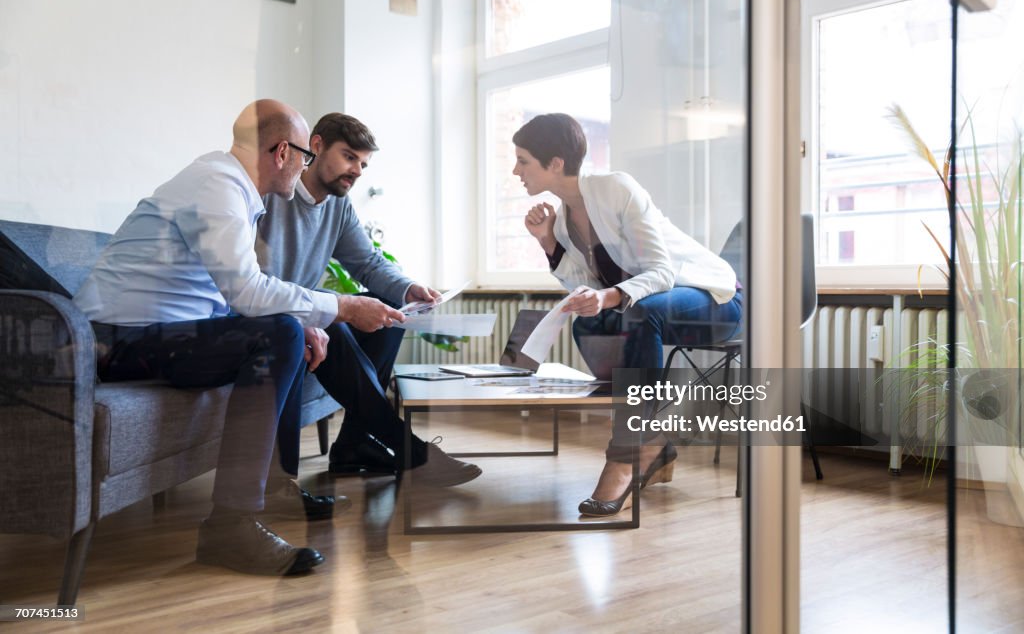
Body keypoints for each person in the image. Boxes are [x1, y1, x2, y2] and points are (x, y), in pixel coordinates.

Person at [73, 100, 404, 576]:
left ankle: (270, 486)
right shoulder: (220, 185)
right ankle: (230, 526)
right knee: (278, 336)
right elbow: (247, 290)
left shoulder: (229, 187)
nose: (305, 168)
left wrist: (307, 320)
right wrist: (345, 306)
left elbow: (226, 295)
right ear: (280, 152)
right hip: (116, 341)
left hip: (151, 336)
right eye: (304, 157)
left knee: (287, 332)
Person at [515, 113, 743, 517]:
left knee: (637, 315)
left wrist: (609, 297)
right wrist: (548, 241)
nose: (516, 171)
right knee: (589, 321)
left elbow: (661, 271)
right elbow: (586, 286)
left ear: (554, 163)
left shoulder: (615, 188)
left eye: (524, 160)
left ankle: (625, 455)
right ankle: (653, 438)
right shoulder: (565, 218)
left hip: (715, 298)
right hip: (653, 306)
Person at [256, 112, 481, 487]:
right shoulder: (271, 193)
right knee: (336, 319)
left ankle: (354, 445)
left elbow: (368, 263)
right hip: (273, 317)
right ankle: (410, 451)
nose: (357, 170)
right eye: (348, 157)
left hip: (312, 315)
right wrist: (318, 314)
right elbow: (252, 283)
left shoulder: (338, 207)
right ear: (316, 146)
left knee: (384, 310)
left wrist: (409, 290)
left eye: (362, 163)